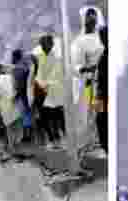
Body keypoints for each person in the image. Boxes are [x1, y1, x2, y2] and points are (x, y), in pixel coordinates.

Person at [71, 6, 106, 147]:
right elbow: (75, 65)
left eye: (93, 15)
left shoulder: (103, 36)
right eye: (88, 15)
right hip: (89, 82)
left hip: (104, 78)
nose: (91, 18)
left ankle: (102, 138)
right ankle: (91, 140)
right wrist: (86, 69)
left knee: (103, 110)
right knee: (90, 111)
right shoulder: (79, 41)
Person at [33, 35, 67, 150]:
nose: (43, 46)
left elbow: (60, 75)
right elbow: (35, 75)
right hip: (41, 92)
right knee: (45, 117)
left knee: (58, 115)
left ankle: (63, 139)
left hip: (54, 91)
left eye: (46, 43)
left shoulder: (57, 58)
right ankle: (52, 140)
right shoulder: (38, 57)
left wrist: (51, 84)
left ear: (52, 44)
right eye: (42, 44)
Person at [11, 50, 33, 144]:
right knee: (26, 114)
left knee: (25, 115)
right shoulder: (20, 68)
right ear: (20, 56)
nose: (25, 56)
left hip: (22, 94)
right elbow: (20, 85)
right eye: (23, 54)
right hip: (24, 94)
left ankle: (26, 135)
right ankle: (27, 136)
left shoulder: (18, 68)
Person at [95, 25, 108, 155]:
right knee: (99, 119)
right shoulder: (104, 53)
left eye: (104, 36)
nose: (102, 39)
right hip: (101, 94)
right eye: (101, 36)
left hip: (105, 93)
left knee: (102, 120)